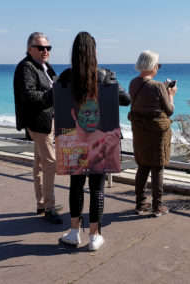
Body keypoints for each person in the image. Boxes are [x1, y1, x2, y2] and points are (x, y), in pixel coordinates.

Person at [57, 32, 130, 250]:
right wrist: (112, 83)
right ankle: (94, 236)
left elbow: (49, 99)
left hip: (74, 141)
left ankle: (73, 232)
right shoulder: (105, 75)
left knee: (76, 185)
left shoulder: (66, 77)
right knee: (97, 187)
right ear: (94, 52)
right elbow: (125, 100)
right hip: (100, 144)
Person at [13, 32, 62, 224]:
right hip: (38, 122)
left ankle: (42, 203)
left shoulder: (45, 67)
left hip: (48, 120)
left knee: (40, 163)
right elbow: (29, 96)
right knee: (50, 162)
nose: (45, 51)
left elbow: (55, 86)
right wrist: (53, 93)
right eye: (41, 47)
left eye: (48, 48)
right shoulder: (26, 67)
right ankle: (49, 208)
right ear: (29, 48)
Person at [128, 50, 177, 217]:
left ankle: (140, 203)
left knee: (142, 166)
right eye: (158, 65)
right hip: (157, 132)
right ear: (153, 66)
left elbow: (144, 100)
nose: (158, 67)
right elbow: (169, 110)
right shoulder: (157, 86)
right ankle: (158, 206)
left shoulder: (133, 83)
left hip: (140, 131)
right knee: (157, 168)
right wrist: (171, 95)